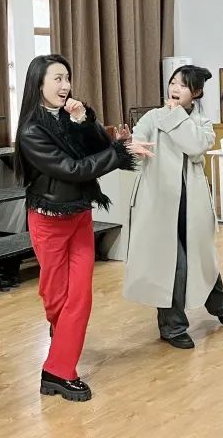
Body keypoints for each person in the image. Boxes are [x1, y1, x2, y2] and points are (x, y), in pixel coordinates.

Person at [14, 54, 153, 402]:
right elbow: (73, 169)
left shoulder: (69, 116)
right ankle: (60, 330)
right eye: (57, 79)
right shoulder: (31, 131)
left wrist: (84, 121)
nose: (65, 86)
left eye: (67, 78)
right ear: (39, 84)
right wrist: (120, 152)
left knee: (80, 297)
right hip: (48, 220)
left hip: (79, 215)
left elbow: (99, 148)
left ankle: (58, 371)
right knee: (56, 298)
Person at [123, 65, 223, 348]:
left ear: (196, 93)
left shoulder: (202, 122)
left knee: (203, 259)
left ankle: (218, 305)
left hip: (192, 203)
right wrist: (129, 145)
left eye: (183, 85)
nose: (175, 88)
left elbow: (195, 146)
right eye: (173, 82)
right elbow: (137, 142)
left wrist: (175, 115)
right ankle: (172, 327)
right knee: (171, 265)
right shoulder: (153, 117)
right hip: (159, 204)